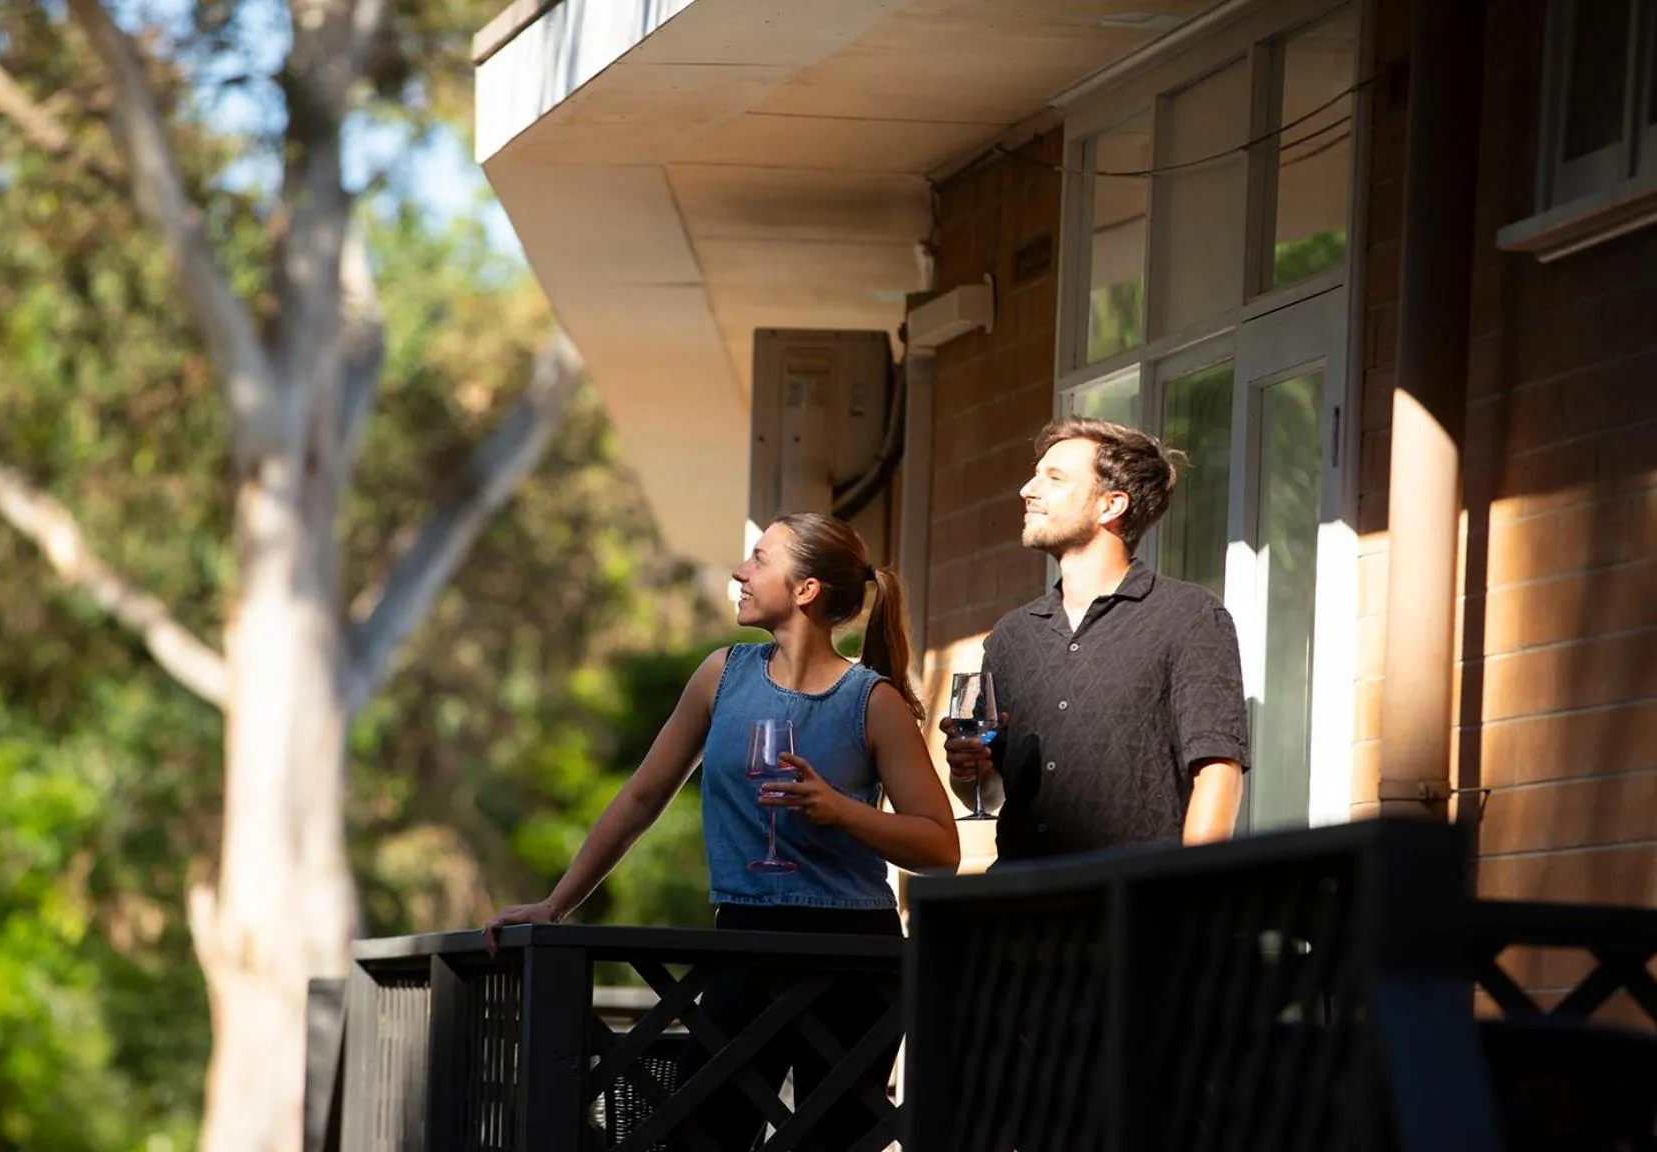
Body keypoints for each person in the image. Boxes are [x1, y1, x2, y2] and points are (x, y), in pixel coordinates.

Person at [482, 511, 960, 1151]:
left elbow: (940, 847)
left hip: (853, 957)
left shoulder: (872, 702)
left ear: (805, 589)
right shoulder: (721, 676)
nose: (740, 570)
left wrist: (839, 809)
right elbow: (643, 796)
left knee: (834, 1144)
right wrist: (555, 904)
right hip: (741, 939)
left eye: (760, 559)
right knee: (702, 1137)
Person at [942, 417, 1249, 861]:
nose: (1027, 490)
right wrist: (969, 769)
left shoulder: (1190, 617)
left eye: (1054, 477)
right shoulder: (1010, 637)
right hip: (1024, 907)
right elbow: (989, 795)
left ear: (1112, 505)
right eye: (1036, 474)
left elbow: (1218, 771)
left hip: (1137, 908)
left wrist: (1190, 898)